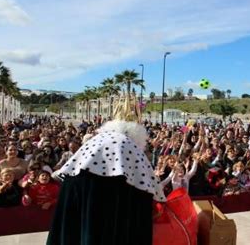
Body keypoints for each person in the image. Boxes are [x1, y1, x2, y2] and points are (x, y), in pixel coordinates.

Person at [47, 93, 165, 245]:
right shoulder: (131, 146)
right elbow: (145, 189)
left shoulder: (95, 141)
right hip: (111, 208)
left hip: (83, 201)